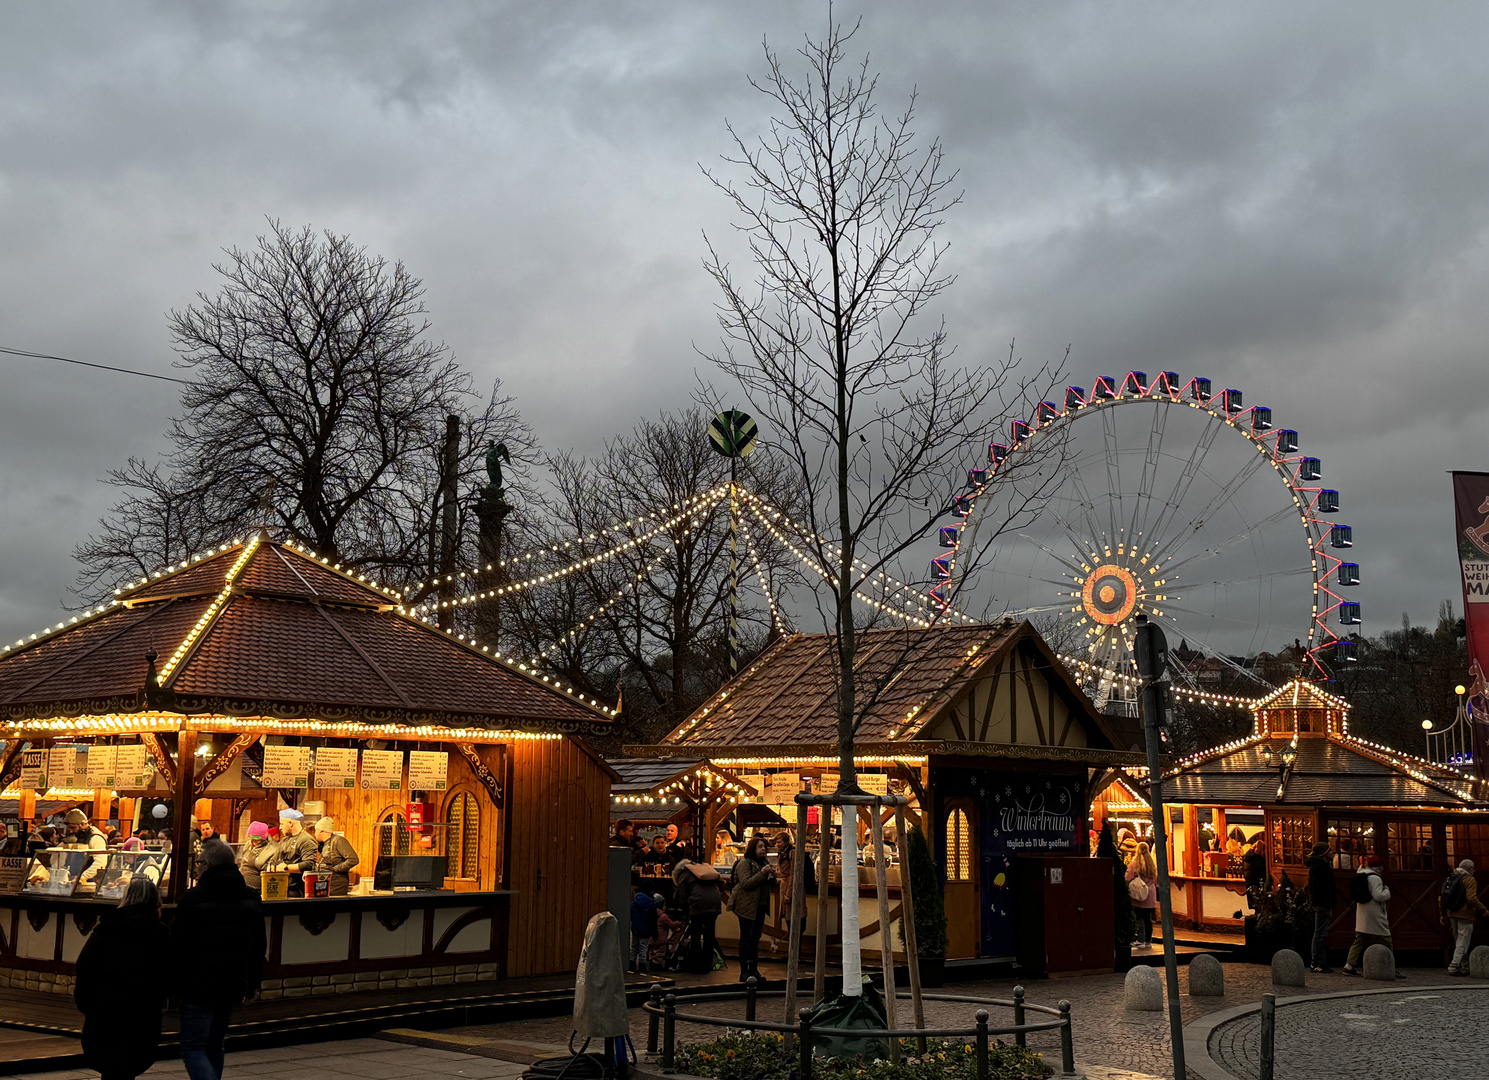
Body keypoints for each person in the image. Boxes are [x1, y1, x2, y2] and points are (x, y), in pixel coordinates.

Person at [172, 839, 266, 1080]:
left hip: (198, 984)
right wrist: (254, 981)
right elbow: (258, 946)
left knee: (193, 1046)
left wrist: (174, 986)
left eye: (199, 862)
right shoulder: (251, 897)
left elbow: (180, 946)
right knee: (216, 1043)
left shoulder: (193, 898)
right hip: (233, 981)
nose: (197, 867)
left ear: (208, 864)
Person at [74, 876, 172, 1080]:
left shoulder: (107, 928)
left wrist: (86, 1002)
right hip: (143, 1012)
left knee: (110, 1065)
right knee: (129, 1064)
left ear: (126, 898)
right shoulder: (161, 934)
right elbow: (169, 972)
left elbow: (86, 965)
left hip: (106, 1009)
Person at [1343, 855, 1403, 978]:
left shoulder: (1360, 874)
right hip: (1374, 913)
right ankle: (1391, 967)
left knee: (1360, 939)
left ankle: (1349, 965)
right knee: (1386, 939)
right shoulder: (1375, 878)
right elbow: (1379, 896)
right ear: (1378, 866)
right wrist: (1387, 891)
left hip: (1362, 912)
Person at [729, 836, 776, 982]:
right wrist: (762, 873)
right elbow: (746, 883)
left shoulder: (764, 862)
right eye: (760, 846)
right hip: (747, 906)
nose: (763, 849)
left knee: (755, 938)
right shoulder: (745, 863)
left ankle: (754, 969)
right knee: (746, 938)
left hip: (760, 906)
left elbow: (769, 884)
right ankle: (744, 971)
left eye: (764, 847)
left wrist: (771, 876)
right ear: (753, 848)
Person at [673, 856, 723, 974]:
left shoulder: (684, 874)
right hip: (715, 903)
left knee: (695, 934)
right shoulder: (701, 870)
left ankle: (695, 965)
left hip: (698, 904)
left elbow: (683, 896)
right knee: (709, 935)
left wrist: (685, 909)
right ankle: (707, 964)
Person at [1440, 858, 1488, 975]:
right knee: (1463, 941)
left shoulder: (1450, 878)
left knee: (1459, 941)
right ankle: (1454, 965)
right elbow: (1471, 898)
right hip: (1465, 914)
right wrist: (1483, 909)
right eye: (1473, 869)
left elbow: (1441, 898)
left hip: (1452, 913)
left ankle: (1465, 966)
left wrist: (1443, 914)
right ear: (1470, 869)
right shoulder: (1469, 880)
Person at [775, 832, 814, 948]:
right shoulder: (783, 853)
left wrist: (788, 894)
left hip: (792, 890)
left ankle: (795, 949)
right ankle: (794, 948)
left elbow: (793, 875)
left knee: (794, 920)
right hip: (786, 888)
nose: (777, 845)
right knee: (790, 920)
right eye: (776, 842)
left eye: (779, 842)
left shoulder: (791, 853)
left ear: (786, 842)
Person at [1305, 841, 1337, 973]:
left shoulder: (1321, 866)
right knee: (1320, 934)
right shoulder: (1319, 868)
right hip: (1322, 903)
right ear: (1324, 854)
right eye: (1330, 851)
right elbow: (1319, 888)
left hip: (1324, 902)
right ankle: (1316, 963)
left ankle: (1318, 962)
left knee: (1321, 934)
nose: (1332, 853)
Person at [270, 808, 317, 897]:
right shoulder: (285, 840)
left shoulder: (306, 840)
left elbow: (309, 864)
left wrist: (287, 868)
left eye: (282, 824)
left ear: (290, 823)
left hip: (297, 891)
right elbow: (275, 860)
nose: (280, 827)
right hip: (281, 887)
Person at [312, 817, 359, 896]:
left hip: (337, 887)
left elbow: (353, 859)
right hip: (326, 884)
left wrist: (336, 869)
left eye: (316, 830)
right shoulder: (324, 844)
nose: (315, 834)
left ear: (321, 831)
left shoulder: (338, 841)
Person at [62, 808, 109, 885]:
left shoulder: (95, 837)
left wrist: (83, 876)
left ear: (83, 824)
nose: (70, 831)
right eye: (69, 828)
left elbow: (100, 862)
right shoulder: (78, 837)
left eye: (73, 827)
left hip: (90, 882)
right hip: (75, 880)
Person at [1126, 842, 1159, 948]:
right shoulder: (1152, 864)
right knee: (1147, 918)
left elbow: (1127, 877)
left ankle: (1140, 939)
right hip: (1150, 893)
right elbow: (1155, 879)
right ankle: (1148, 940)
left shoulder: (1136, 863)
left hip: (1139, 894)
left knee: (1139, 917)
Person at [238, 821, 274, 894]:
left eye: (255, 841)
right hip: (241, 887)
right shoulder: (248, 845)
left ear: (263, 839)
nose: (251, 843)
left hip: (256, 891)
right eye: (249, 839)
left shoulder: (271, 851)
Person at [629, 888, 659, 973]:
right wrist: (654, 933)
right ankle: (642, 967)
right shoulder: (651, 905)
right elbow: (653, 920)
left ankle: (632, 965)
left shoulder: (633, 904)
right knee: (643, 948)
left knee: (634, 947)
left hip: (635, 927)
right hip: (645, 929)